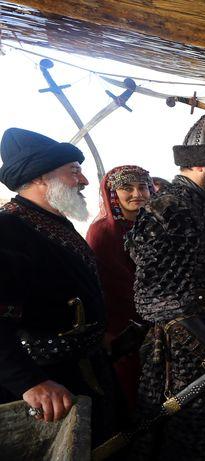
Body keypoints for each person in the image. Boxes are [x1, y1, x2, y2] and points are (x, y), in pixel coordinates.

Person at [127, 114, 205, 460]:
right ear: (199, 165)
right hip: (186, 354)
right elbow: (158, 299)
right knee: (192, 440)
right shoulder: (170, 210)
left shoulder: (198, 204)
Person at [0, 127, 118, 444]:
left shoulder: (50, 219)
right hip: (48, 384)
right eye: (74, 171)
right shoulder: (7, 228)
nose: (84, 180)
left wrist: (98, 332)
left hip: (83, 367)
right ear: (40, 177)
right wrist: (29, 382)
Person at [86, 165, 154, 415]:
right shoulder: (103, 231)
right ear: (113, 193)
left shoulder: (156, 226)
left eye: (143, 187)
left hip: (164, 321)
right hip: (124, 327)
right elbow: (110, 286)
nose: (137, 194)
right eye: (127, 188)